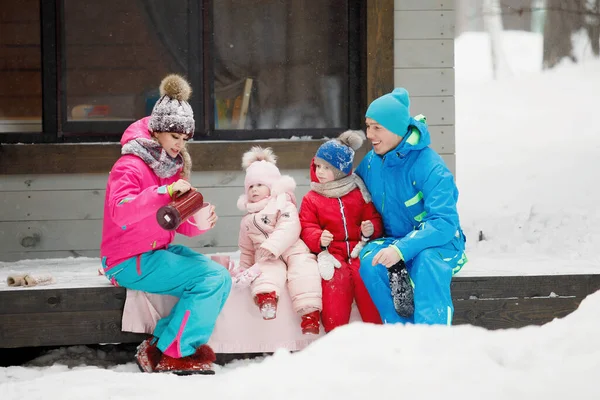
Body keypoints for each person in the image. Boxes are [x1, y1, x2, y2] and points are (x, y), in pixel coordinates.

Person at [100, 74, 231, 375]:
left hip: (156, 251)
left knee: (220, 277)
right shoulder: (130, 165)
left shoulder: (171, 167)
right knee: (209, 280)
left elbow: (173, 220)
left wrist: (198, 222)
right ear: (157, 131)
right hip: (126, 260)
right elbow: (121, 212)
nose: (179, 145)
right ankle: (176, 353)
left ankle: (160, 345)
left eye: (185, 139)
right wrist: (163, 193)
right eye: (175, 137)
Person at [355, 87, 468, 325]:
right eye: (368, 126)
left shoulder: (430, 167)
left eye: (377, 128)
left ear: (396, 128)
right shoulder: (372, 163)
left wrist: (402, 250)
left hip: (440, 243)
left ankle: (432, 338)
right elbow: (352, 193)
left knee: (427, 262)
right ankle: (400, 336)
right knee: (371, 264)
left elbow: (444, 222)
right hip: (394, 241)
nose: (369, 134)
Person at [299, 130, 383, 333]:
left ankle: (377, 331)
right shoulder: (312, 198)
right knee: (335, 281)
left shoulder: (358, 191)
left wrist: (370, 229)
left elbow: (373, 217)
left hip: (359, 248)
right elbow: (307, 226)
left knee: (366, 277)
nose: (319, 171)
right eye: (318, 166)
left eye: (326, 167)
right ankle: (335, 334)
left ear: (340, 170)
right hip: (332, 253)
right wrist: (319, 238)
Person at [235, 146, 323, 335]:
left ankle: (310, 314)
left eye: (259, 184)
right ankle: (267, 299)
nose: (254, 190)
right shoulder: (247, 220)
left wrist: (272, 245)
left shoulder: (282, 202)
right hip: (266, 256)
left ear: (272, 186)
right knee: (265, 270)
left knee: (304, 270)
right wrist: (244, 268)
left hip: (293, 249)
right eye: (250, 186)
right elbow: (247, 249)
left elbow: (290, 226)